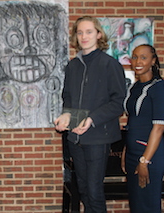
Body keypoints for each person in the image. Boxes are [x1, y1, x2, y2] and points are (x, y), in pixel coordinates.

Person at [54, 16, 126, 212]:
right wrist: (66, 117)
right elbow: (67, 99)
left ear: (98, 34)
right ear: (75, 37)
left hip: (97, 137)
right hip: (75, 138)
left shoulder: (109, 64)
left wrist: (92, 119)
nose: (84, 36)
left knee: (94, 192)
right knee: (84, 189)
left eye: (88, 32)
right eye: (80, 32)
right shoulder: (72, 66)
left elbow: (119, 103)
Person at [121, 44, 164, 213]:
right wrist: (127, 150)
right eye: (134, 57)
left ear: (153, 61)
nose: (138, 61)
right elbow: (133, 122)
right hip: (133, 153)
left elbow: (158, 128)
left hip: (150, 156)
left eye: (143, 57)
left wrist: (144, 161)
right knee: (136, 205)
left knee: (148, 205)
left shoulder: (158, 87)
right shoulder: (133, 88)